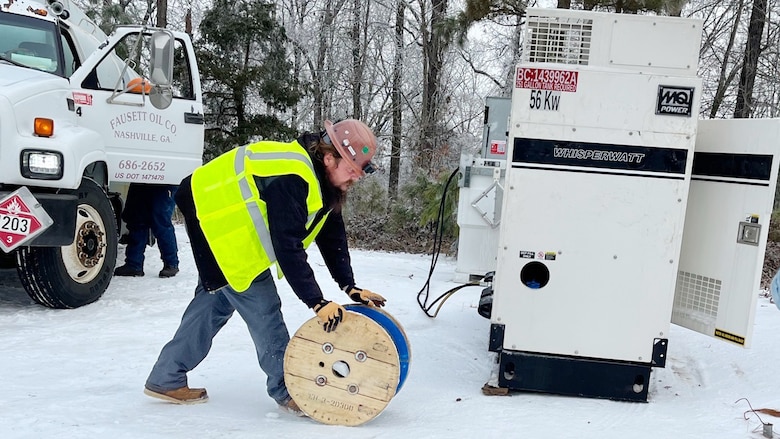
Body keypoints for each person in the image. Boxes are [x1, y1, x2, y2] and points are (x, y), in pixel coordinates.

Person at [143, 119, 387, 414]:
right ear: (328, 157)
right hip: (215, 222)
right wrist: (316, 301)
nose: (355, 178)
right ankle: (289, 390)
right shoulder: (293, 177)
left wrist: (349, 285)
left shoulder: (320, 180)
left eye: (359, 172)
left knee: (215, 301)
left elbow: (330, 229)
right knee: (264, 309)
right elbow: (288, 246)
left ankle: (165, 377)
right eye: (351, 169)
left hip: (219, 222)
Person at [114, 183, 180, 278]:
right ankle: (134, 264)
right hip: (141, 181)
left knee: (161, 223)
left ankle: (171, 264)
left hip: (164, 181)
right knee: (136, 221)